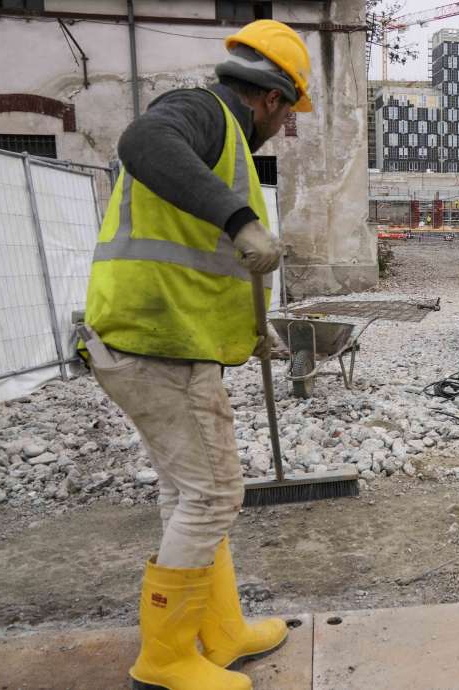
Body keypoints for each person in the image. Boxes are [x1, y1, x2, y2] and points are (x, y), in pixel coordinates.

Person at [80, 19, 312, 690]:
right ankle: (165, 659)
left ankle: (222, 630)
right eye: (288, 114)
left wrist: (249, 331)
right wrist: (241, 220)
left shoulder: (219, 137)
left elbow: (196, 264)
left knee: (186, 494)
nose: (283, 126)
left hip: (150, 334)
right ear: (271, 99)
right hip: (158, 345)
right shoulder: (200, 113)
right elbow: (142, 140)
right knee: (212, 496)